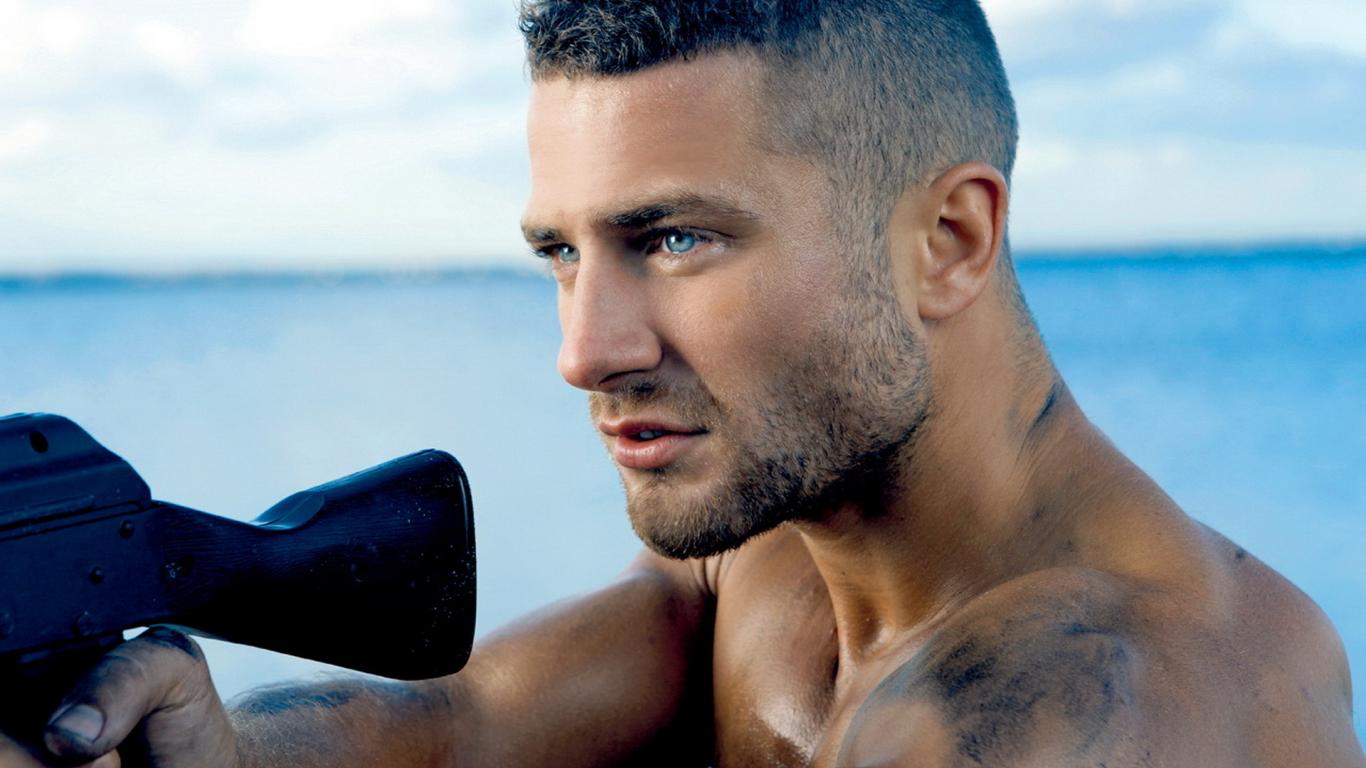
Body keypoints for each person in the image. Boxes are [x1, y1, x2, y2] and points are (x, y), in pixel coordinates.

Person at [3, 1, 1363, 766]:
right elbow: (467, 724)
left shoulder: (1092, 705)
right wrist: (190, 747)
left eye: (673, 241)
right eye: (561, 253)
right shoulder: (770, 543)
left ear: (947, 241)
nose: (584, 351)